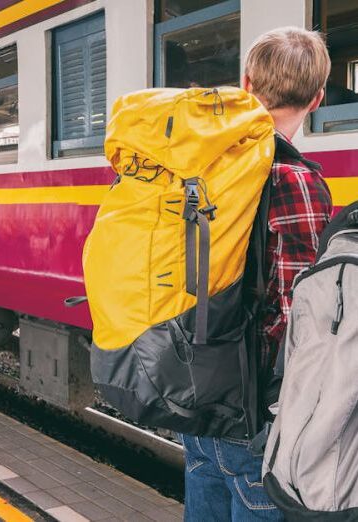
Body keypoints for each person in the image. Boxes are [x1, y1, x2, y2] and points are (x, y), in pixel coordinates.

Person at [180, 27, 333, 521]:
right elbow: (297, 313)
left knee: (204, 486)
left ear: (246, 83)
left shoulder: (202, 166)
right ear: (317, 98)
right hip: (253, 403)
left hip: (196, 379)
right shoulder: (296, 180)